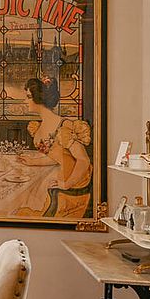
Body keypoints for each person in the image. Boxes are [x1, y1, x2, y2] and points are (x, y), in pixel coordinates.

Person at [18, 77, 94, 216]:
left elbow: (84, 160)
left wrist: (67, 184)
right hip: (55, 174)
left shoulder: (65, 126)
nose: (25, 101)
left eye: (28, 97)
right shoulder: (38, 127)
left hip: (71, 181)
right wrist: (33, 162)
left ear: (39, 99)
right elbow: (59, 156)